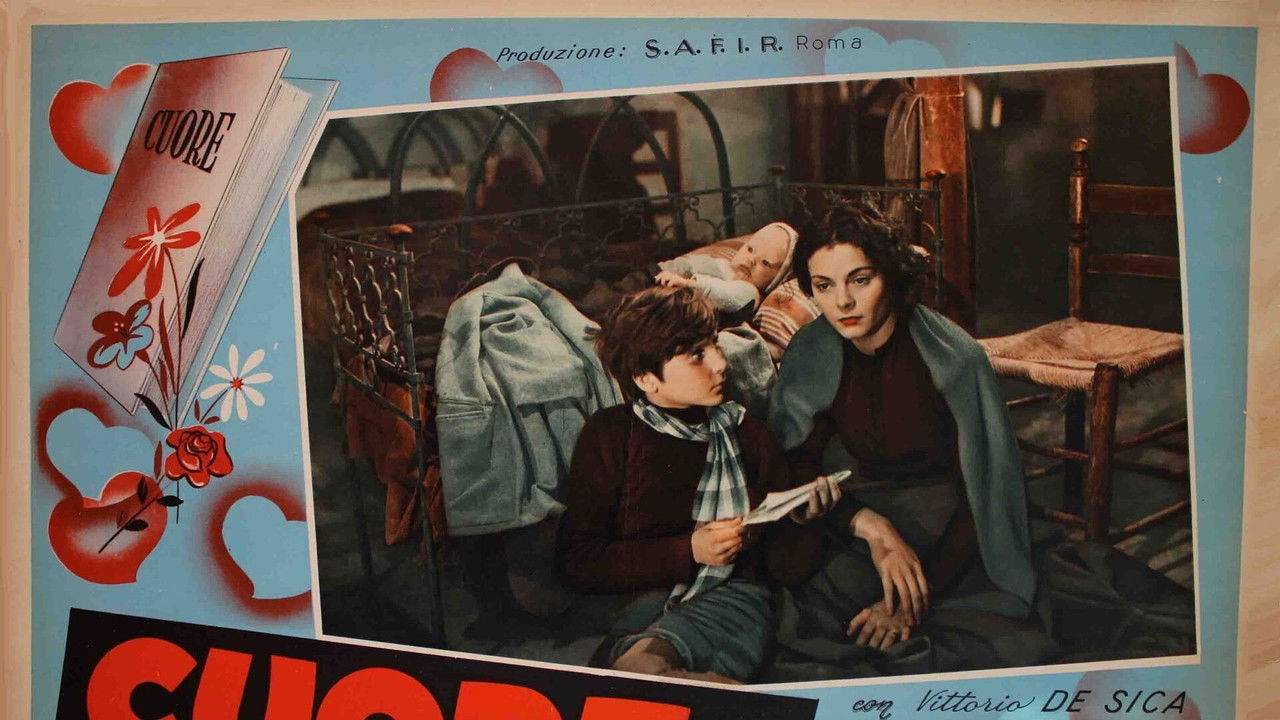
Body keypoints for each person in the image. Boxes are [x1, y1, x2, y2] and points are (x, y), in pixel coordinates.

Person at [767, 204, 1041, 677]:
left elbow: (986, 498)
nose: (843, 303)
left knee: (891, 636)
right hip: (859, 512)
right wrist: (871, 527)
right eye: (824, 286)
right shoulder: (812, 349)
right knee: (792, 611)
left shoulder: (955, 358)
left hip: (951, 525)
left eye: (860, 280)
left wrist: (910, 599)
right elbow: (794, 460)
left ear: (890, 274)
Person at [555, 285, 841, 683]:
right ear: (645, 377)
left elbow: (783, 572)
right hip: (639, 604)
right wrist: (688, 550)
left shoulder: (748, 434)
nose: (720, 364)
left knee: (642, 671)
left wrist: (803, 519)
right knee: (639, 675)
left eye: (714, 345)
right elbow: (578, 561)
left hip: (732, 600)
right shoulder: (610, 435)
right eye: (695, 355)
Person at [654, 221, 798, 318]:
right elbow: (691, 264)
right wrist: (663, 269)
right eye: (750, 249)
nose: (751, 260)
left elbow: (722, 293)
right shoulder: (722, 265)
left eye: (765, 263)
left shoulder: (750, 293)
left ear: (777, 279)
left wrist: (688, 284)